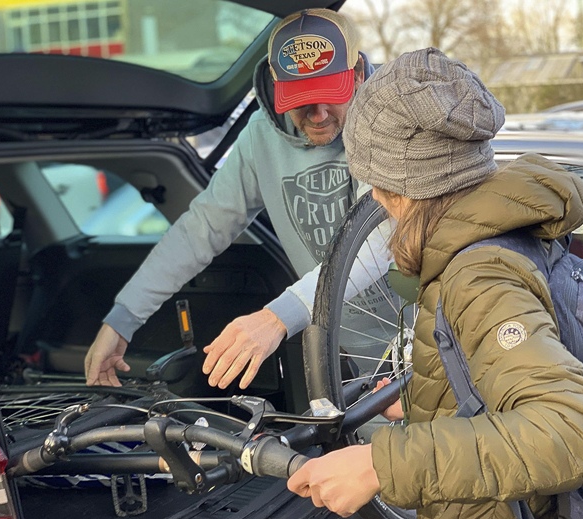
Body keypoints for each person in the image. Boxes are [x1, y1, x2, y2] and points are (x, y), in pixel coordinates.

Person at [287, 47, 583, 518]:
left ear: (408, 185)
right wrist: (430, 402)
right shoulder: (510, 232)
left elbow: (575, 429)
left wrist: (381, 466)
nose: (376, 196)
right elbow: (503, 374)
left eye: (377, 181)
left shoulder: (479, 275)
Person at [84, 9, 394, 389]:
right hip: (348, 359)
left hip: (423, 344)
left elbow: (379, 240)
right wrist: (123, 318)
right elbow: (203, 228)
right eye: (301, 100)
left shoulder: (388, 122)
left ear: (358, 74)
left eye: (330, 95)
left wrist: (276, 318)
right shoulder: (260, 138)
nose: (317, 114)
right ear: (278, 85)